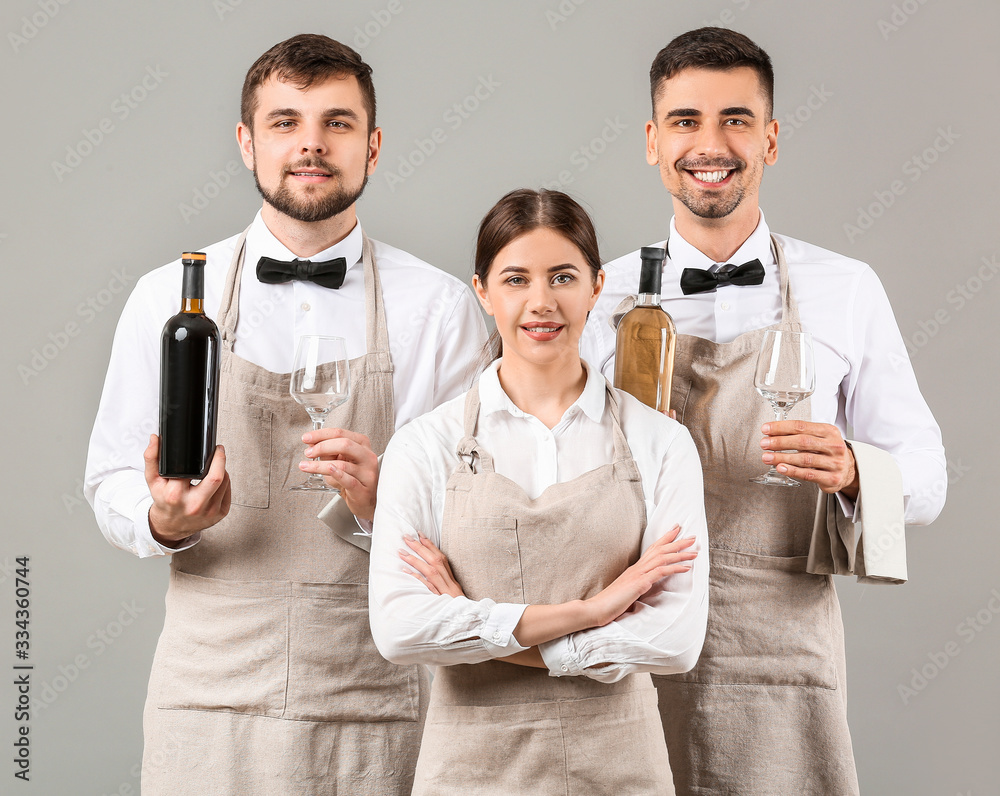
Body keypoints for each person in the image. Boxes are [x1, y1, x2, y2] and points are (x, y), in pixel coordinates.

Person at [84, 34, 486, 795]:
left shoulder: (439, 308)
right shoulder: (167, 298)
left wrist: (382, 506)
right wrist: (167, 520)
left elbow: (472, 516)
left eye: (336, 123)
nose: (310, 144)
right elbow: (109, 479)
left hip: (372, 695)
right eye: (284, 122)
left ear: (371, 145)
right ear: (246, 142)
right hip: (207, 696)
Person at [580, 27, 947, 795]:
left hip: (781, 647)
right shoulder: (596, 293)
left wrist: (853, 471)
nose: (709, 144)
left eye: (736, 120)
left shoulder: (845, 287)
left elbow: (928, 477)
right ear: (652, 141)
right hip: (631, 629)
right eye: (685, 121)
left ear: (771, 139)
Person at [368, 188, 709, 795]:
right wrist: (595, 611)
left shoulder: (662, 443)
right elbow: (398, 629)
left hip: (619, 768)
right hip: (469, 771)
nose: (541, 302)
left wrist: (479, 627)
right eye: (516, 279)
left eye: (562, 277)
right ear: (482, 290)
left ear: (597, 287)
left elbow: (677, 640)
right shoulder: (424, 445)